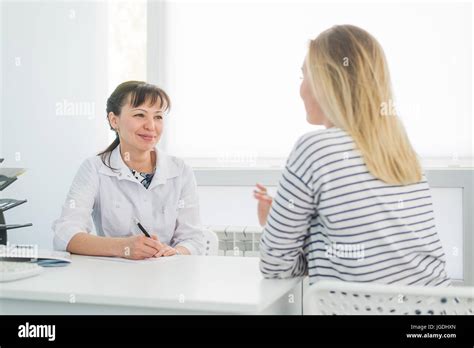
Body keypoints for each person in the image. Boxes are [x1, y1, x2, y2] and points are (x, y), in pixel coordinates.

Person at [254, 25, 450, 286]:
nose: (300, 89)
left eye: (304, 76)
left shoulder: (314, 149)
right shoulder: (403, 152)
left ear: (327, 81)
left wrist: (275, 229)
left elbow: (275, 266)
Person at [53, 81, 204, 259]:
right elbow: (65, 235)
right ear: (114, 120)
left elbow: (194, 240)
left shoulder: (180, 171)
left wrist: (175, 252)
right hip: (114, 278)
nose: (151, 126)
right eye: (140, 115)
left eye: (158, 117)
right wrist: (123, 247)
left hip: (167, 275)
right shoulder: (95, 168)